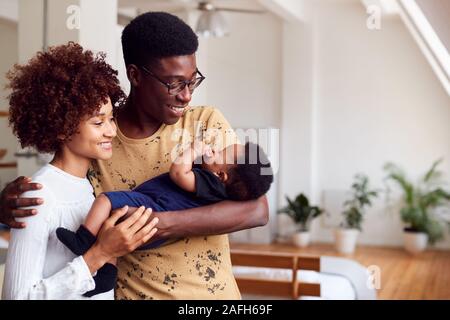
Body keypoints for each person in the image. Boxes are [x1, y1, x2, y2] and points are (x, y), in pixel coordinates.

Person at [0, 12, 269, 300]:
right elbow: (61, 184)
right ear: (136, 75)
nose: (187, 95)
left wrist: (160, 223)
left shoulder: (205, 124)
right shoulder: (98, 135)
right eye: (175, 83)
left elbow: (257, 209)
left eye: (193, 81)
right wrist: (8, 204)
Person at [1, 43, 159, 300]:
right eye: (98, 122)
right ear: (62, 128)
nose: (110, 131)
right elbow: (16, 297)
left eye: (110, 118)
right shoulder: (38, 196)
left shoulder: (90, 185)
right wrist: (99, 254)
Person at [56, 142, 273, 294]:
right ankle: (106, 276)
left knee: (105, 200)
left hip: (153, 209)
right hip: (153, 221)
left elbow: (178, 173)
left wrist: (193, 150)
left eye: (220, 153)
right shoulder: (220, 189)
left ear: (221, 176)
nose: (214, 150)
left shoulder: (208, 181)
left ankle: (83, 239)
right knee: (111, 225)